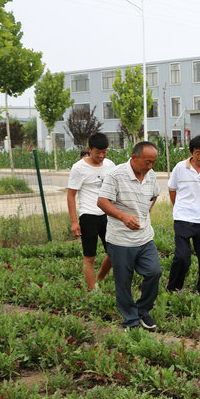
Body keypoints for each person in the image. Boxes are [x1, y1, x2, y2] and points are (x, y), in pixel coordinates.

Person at [97, 141, 162, 331]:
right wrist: (123, 216)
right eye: (147, 162)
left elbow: (155, 195)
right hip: (120, 240)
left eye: (153, 162)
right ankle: (130, 320)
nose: (150, 166)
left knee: (154, 272)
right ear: (134, 158)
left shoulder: (150, 175)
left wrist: (144, 213)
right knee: (123, 282)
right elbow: (102, 201)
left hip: (144, 237)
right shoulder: (116, 175)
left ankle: (142, 310)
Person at [166, 135, 200, 299]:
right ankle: (173, 290)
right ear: (191, 152)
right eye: (197, 153)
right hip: (182, 219)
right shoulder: (180, 167)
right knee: (182, 257)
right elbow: (172, 189)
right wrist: (179, 208)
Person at [67, 132, 116, 290]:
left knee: (114, 252)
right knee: (90, 257)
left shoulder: (110, 165)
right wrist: (74, 222)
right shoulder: (79, 168)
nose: (102, 155)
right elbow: (71, 195)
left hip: (108, 214)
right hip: (89, 215)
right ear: (89, 149)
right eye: (98, 152)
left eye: (104, 152)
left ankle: (100, 277)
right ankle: (92, 290)